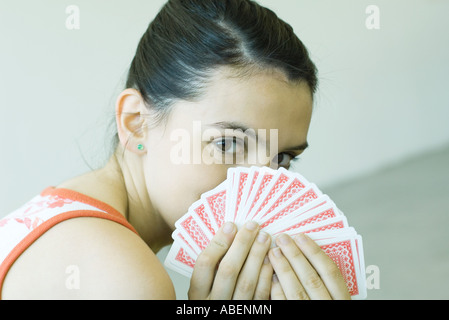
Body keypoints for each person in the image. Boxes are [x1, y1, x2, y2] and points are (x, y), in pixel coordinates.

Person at [0, 0, 350, 299]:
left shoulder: (72, 218)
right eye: (228, 144)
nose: (264, 187)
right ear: (136, 122)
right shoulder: (123, 275)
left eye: (282, 158)